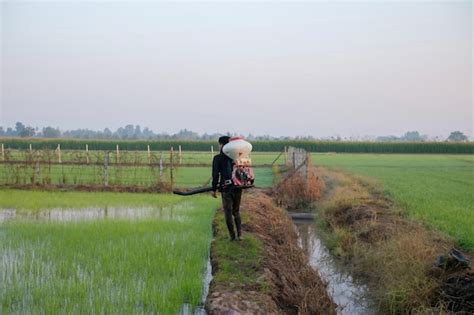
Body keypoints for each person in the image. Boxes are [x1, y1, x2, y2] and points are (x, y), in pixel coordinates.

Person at [211, 136, 243, 241]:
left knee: (228, 213)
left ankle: (232, 237)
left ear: (221, 145)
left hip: (226, 188)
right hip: (238, 187)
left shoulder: (217, 158)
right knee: (236, 211)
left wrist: (214, 189)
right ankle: (240, 235)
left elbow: (215, 175)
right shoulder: (237, 157)